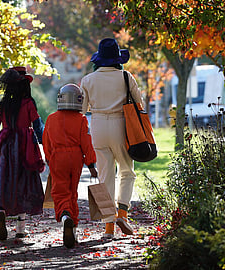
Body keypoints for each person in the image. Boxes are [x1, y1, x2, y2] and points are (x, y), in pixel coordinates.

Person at [80, 38, 143, 239]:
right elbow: (139, 104)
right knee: (126, 171)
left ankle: (108, 229)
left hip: (97, 126)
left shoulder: (88, 80)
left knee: (106, 176)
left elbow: (82, 111)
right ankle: (122, 214)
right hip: (120, 125)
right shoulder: (125, 77)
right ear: (117, 58)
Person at [0, 66, 45, 240]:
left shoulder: (3, 104)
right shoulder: (28, 103)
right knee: (23, 183)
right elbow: (37, 124)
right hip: (24, 147)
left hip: (5, 144)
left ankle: (1, 211)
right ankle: (20, 228)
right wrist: (42, 141)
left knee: (4, 179)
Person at [42, 83, 98, 248]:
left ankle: (65, 217)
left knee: (60, 191)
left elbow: (46, 141)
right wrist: (91, 164)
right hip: (75, 158)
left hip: (58, 157)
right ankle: (73, 230)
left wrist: (48, 158)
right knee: (72, 192)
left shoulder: (51, 119)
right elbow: (86, 142)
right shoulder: (81, 120)